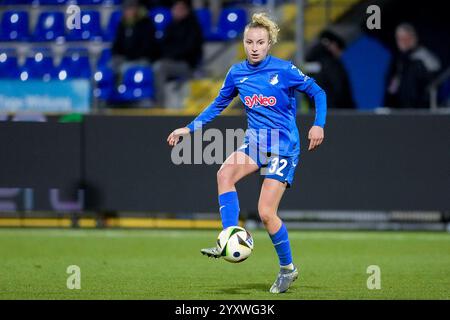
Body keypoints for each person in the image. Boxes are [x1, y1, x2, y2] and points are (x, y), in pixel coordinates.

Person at [167, 13, 327, 294]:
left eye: (260, 42)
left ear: (269, 44)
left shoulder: (284, 70)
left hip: (283, 147)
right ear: (243, 43)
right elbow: (218, 104)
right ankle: (229, 236)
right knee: (224, 173)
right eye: (249, 41)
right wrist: (189, 129)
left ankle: (288, 269)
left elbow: (318, 92)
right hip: (255, 143)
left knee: (266, 213)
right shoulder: (237, 73)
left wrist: (318, 124)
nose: (254, 47)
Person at [153, 0, 203, 107]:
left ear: (186, 10)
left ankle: (159, 104)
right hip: (171, 62)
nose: (177, 11)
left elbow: (190, 49)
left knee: (159, 67)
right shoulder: (170, 26)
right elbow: (163, 46)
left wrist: (171, 56)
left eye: (180, 9)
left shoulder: (193, 26)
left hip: (187, 65)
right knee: (155, 65)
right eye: (175, 9)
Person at [384, 23, 441, 108]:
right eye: (399, 39)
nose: (402, 42)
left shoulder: (424, 57)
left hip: (421, 109)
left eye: (405, 38)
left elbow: (433, 83)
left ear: (413, 38)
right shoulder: (399, 61)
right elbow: (393, 86)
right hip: (401, 108)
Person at [305, 30, 355, 109]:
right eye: (339, 49)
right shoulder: (331, 64)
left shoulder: (309, 60)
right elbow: (339, 89)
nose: (340, 54)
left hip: (315, 111)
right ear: (334, 45)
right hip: (335, 112)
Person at [111, 0, 160, 77]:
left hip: (142, 59)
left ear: (136, 9)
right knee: (109, 68)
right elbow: (117, 44)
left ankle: (123, 87)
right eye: (126, 9)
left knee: (125, 69)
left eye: (130, 9)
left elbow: (147, 48)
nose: (128, 11)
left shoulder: (146, 24)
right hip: (126, 58)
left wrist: (129, 57)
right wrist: (117, 55)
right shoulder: (122, 24)